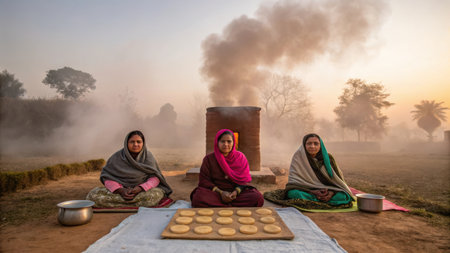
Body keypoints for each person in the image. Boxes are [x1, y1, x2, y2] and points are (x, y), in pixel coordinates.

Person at [86, 130, 172, 208]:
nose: (135, 144)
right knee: (93, 195)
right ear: (126, 143)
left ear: (143, 143)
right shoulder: (116, 157)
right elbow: (107, 178)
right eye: (132, 142)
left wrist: (141, 188)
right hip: (119, 192)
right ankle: (133, 203)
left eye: (139, 142)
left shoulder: (148, 157)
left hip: (142, 192)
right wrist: (121, 190)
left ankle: (119, 204)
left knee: (155, 195)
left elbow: (155, 178)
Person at [190, 129, 264, 207]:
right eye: (222, 141)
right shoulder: (209, 159)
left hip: (236, 194)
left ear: (233, 143)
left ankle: (221, 205)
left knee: (257, 197)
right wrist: (221, 193)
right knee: (198, 198)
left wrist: (235, 192)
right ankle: (231, 205)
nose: (226, 144)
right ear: (217, 143)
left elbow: (244, 181)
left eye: (229, 141)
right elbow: (204, 181)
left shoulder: (240, 157)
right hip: (216, 193)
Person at [285, 133, 355, 206]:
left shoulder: (328, 158)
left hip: (328, 190)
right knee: (293, 194)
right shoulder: (298, 157)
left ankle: (317, 200)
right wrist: (312, 191)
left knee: (342, 196)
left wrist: (331, 193)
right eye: (309, 143)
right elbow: (294, 182)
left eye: (316, 144)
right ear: (304, 145)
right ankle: (323, 201)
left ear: (320, 146)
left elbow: (337, 181)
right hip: (307, 191)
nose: (312, 146)